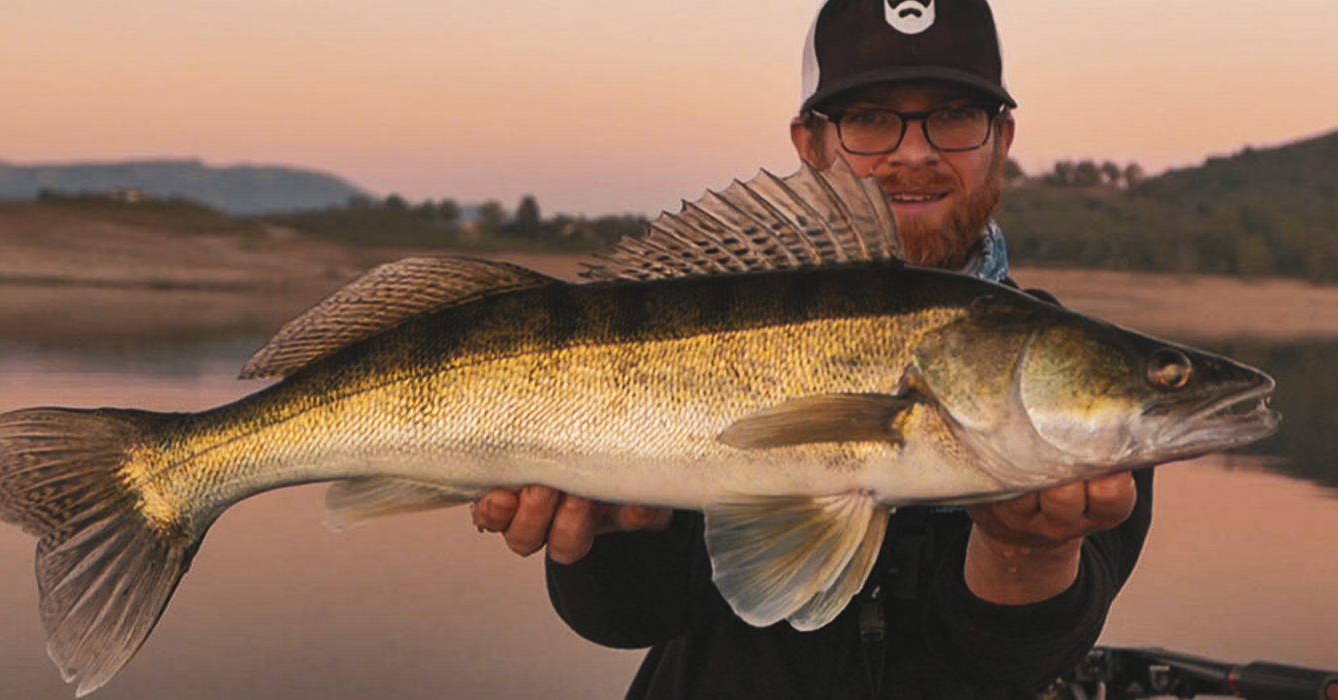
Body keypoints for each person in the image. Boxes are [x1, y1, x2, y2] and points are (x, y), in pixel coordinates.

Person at [471, 1, 1151, 696]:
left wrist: (1024, 552)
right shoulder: (715, 300)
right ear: (810, 143)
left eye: (954, 114)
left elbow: (1015, 665)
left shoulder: (1072, 378)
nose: (914, 151)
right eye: (867, 118)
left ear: (1002, 138)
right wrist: (618, 539)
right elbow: (630, 618)